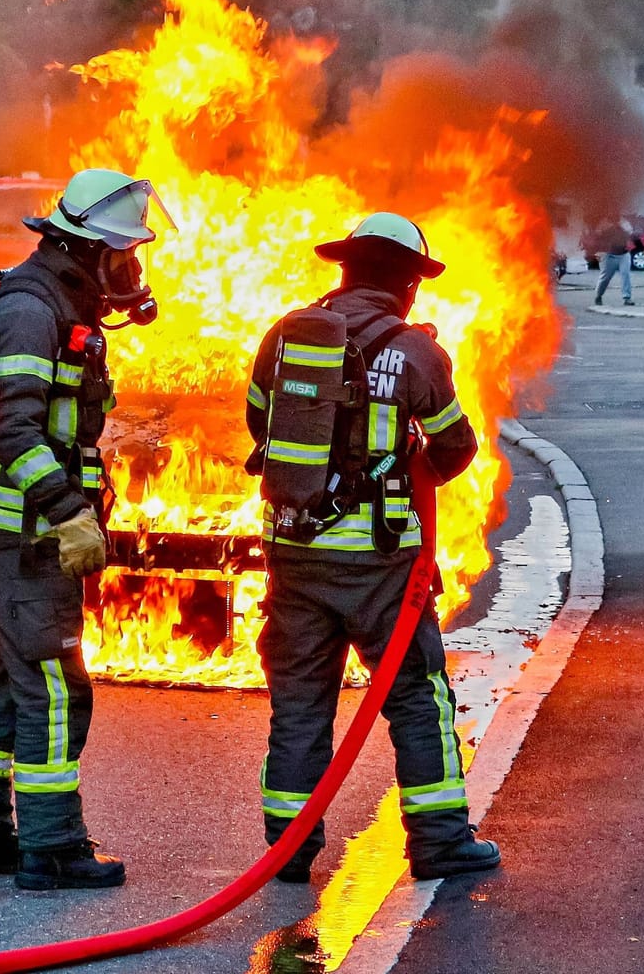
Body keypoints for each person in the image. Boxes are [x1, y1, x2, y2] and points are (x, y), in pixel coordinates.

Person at [245, 212, 501, 883]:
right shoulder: (415, 352)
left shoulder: (284, 337)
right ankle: (441, 840)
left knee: (300, 701)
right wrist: (404, 458)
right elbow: (456, 446)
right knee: (416, 695)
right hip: (382, 568)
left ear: (347, 269)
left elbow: (255, 419)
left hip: (293, 554)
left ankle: (288, 851)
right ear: (409, 283)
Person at [0, 167, 162, 890]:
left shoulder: (54, 301)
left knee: (3, 680)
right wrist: (69, 514)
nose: (131, 269)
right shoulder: (30, 309)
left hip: (19, 534)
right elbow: (10, 426)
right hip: (28, 534)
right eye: (124, 255)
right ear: (90, 249)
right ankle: (52, 848)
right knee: (56, 687)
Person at [592, 221, 634, 306]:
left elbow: (630, 232)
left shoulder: (624, 223)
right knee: (605, 277)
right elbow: (597, 237)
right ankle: (598, 296)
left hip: (624, 254)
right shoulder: (604, 224)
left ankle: (627, 298)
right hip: (608, 255)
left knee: (625, 274)